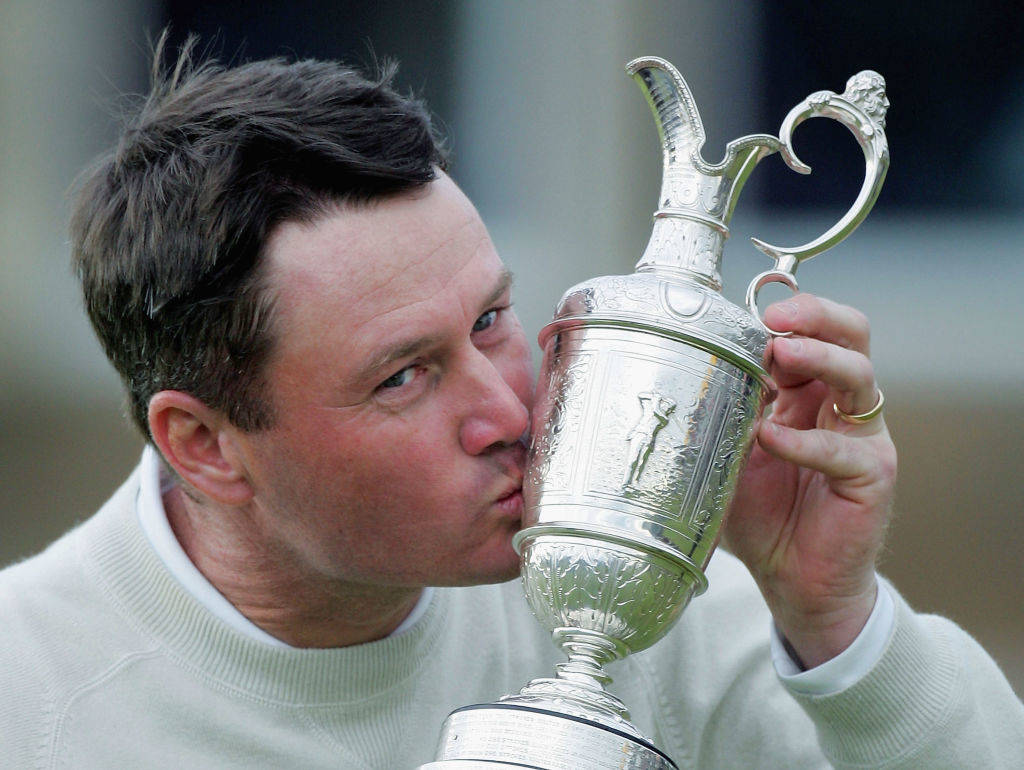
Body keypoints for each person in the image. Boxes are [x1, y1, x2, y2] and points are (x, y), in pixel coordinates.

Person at [1, 40, 1021, 769]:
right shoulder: (27, 694)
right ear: (205, 442)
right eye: (404, 374)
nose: (511, 410)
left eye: (491, 317)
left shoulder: (668, 614)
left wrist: (836, 619)